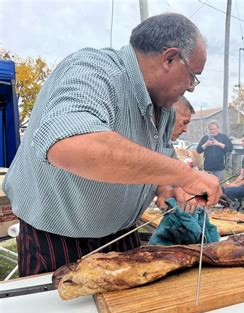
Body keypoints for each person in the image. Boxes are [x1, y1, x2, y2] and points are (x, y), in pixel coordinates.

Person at [2, 13, 222, 277]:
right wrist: (186, 174)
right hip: (58, 241)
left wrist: (168, 186)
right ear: (170, 58)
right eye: (193, 76)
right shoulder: (92, 71)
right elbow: (71, 143)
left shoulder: (164, 109)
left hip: (123, 235)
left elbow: (156, 156)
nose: (191, 87)